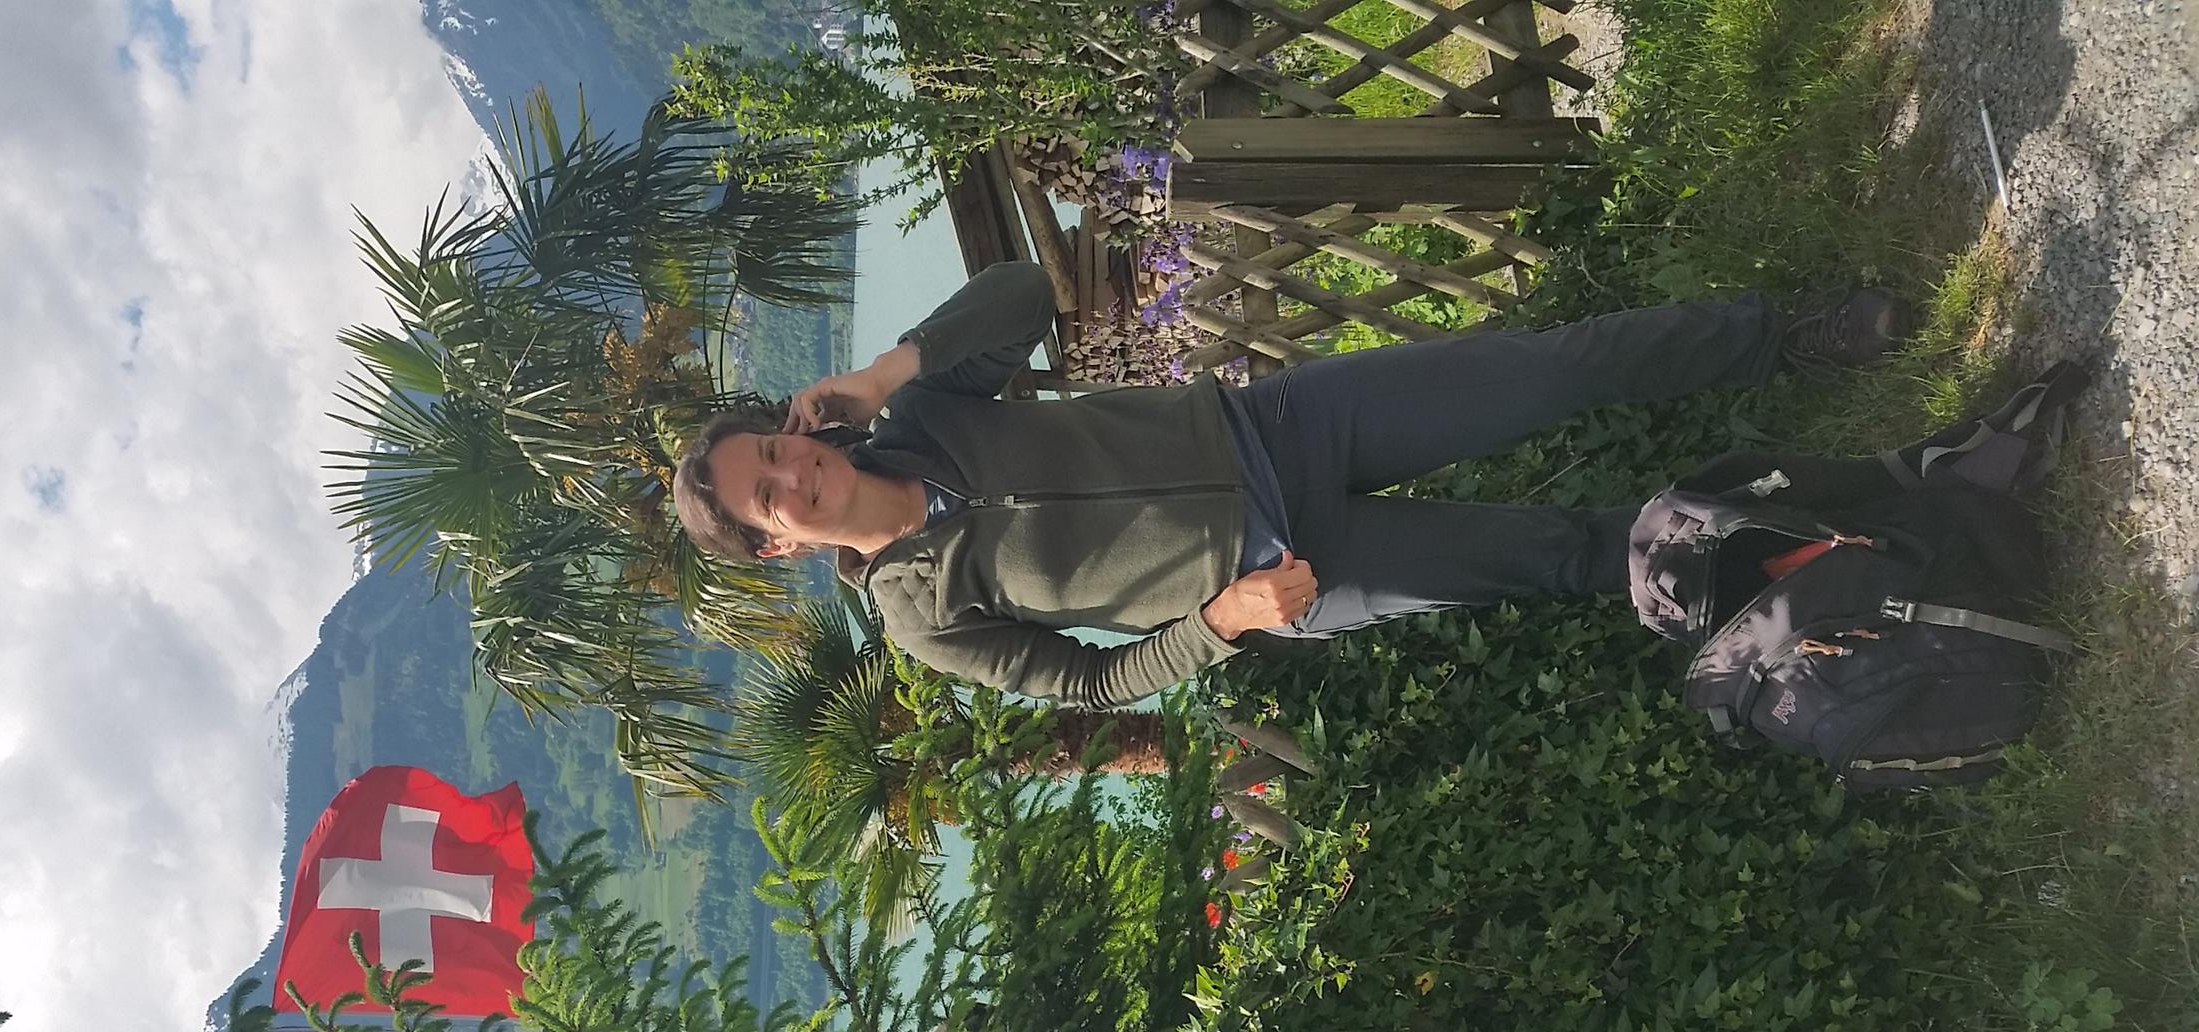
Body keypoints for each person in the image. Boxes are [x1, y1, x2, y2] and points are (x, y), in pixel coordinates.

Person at [671, 261, 1912, 709]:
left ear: (793, 427)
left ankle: (1787, 336)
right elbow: (1096, 683)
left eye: (773, 450)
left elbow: (1021, 294)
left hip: (1279, 424)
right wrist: (1220, 625)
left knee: (1550, 369)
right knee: (1560, 554)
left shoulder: (928, 412)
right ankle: (1815, 543)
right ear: (778, 545)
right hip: (1291, 575)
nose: (793, 477)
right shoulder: (922, 622)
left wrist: (887, 370)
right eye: (769, 498)